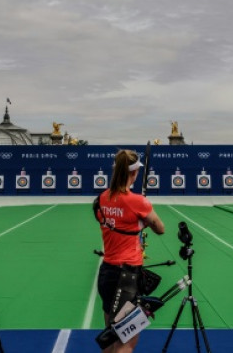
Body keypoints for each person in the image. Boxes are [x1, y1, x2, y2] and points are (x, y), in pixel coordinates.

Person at [95, 149, 165, 353]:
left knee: (110, 334)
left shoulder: (102, 198)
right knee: (127, 340)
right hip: (127, 278)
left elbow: (112, 223)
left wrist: (136, 224)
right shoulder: (137, 201)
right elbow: (160, 228)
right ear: (134, 174)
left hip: (107, 272)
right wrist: (142, 221)